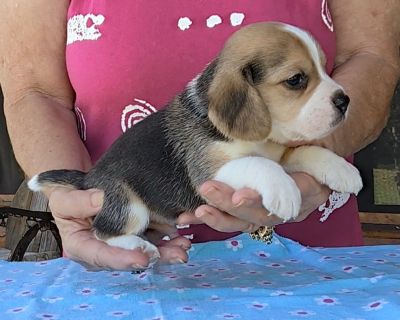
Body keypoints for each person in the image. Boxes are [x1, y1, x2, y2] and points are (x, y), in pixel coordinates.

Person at [0, 0, 399, 271]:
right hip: (134, 266)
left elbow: (373, 55)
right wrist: (75, 205)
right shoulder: (225, 115)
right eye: (298, 81)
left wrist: (318, 159)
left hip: (308, 259)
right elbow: (36, 91)